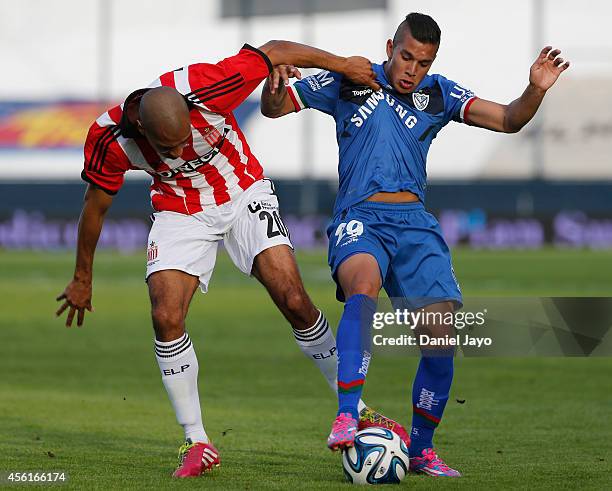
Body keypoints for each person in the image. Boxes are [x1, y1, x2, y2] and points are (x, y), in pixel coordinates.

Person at [54, 40, 413, 478]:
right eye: (170, 148)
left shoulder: (209, 84)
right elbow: (95, 207)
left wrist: (343, 65)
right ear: (144, 133)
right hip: (179, 208)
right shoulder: (107, 139)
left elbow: (275, 49)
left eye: (187, 137)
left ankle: (356, 407)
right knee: (166, 315)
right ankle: (197, 440)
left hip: (243, 191)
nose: (183, 150)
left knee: (294, 300)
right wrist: (82, 277)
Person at [260, 13, 569, 477]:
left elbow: (507, 119)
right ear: (390, 47)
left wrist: (536, 90)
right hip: (360, 215)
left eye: (423, 63)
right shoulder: (352, 77)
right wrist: (274, 85)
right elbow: (274, 108)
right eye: (407, 57)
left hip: (414, 225)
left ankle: (422, 449)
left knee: (441, 333)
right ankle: (347, 414)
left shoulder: (439, 93)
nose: (413, 70)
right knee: (363, 286)